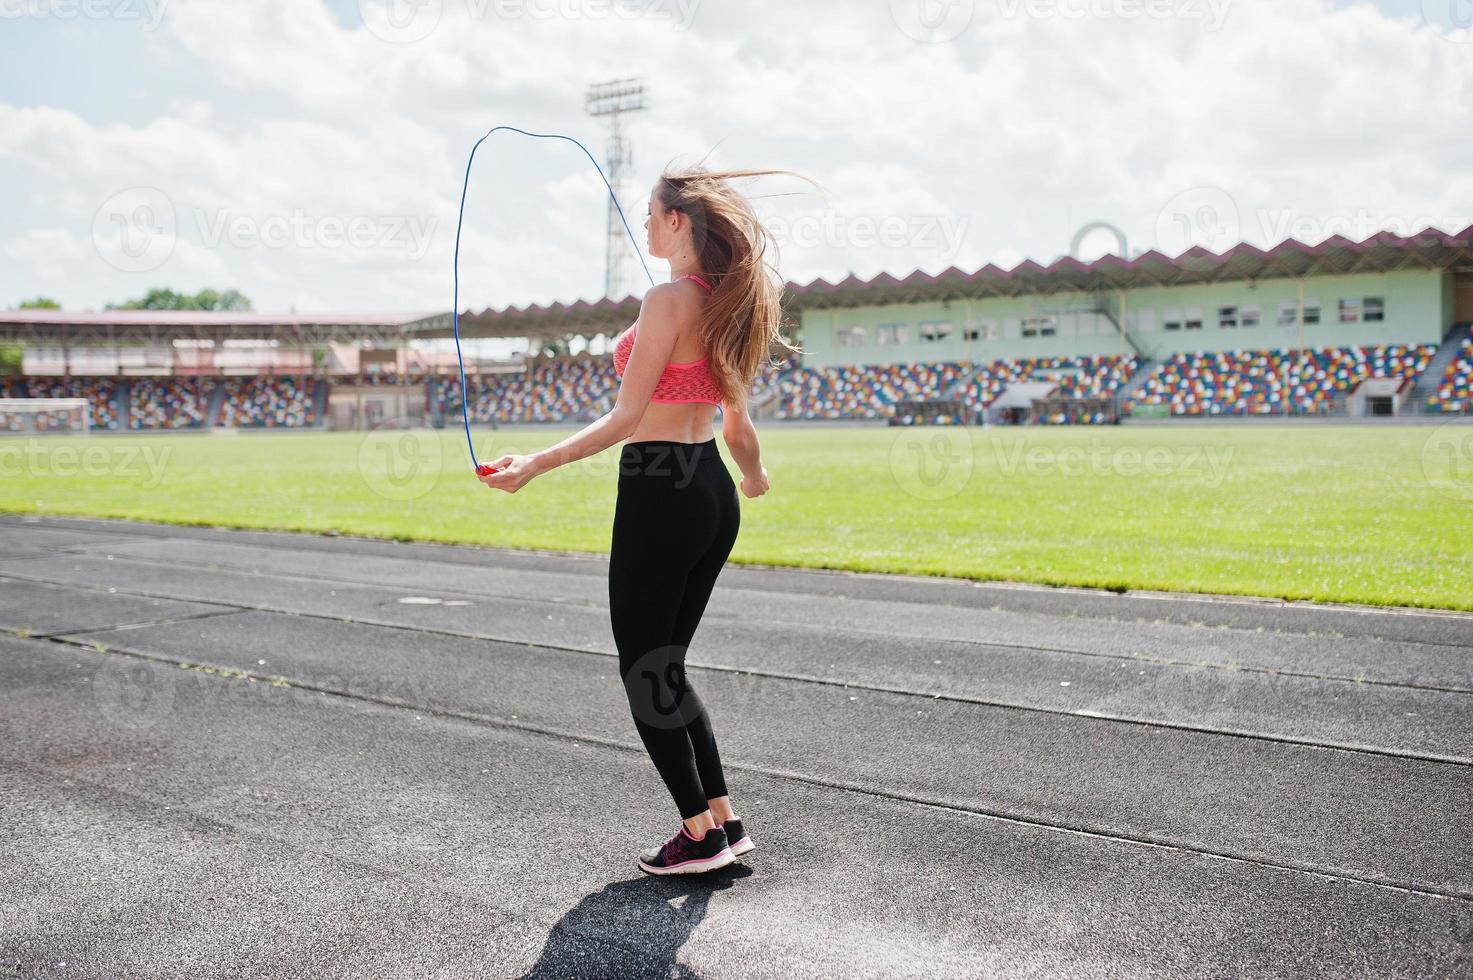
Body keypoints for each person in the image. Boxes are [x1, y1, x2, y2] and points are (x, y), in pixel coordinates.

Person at [477, 164, 806, 875]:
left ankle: (696, 838)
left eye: (653, 214)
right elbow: (736, 425)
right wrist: (750, 475)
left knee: (644, 670)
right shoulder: (729, 302)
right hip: (710, 491)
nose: (648, 225)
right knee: (668, 666)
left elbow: (627, 418)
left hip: (659, 488)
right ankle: (723, 819)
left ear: (679, 221)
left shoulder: (667, 300)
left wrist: (534, 463)